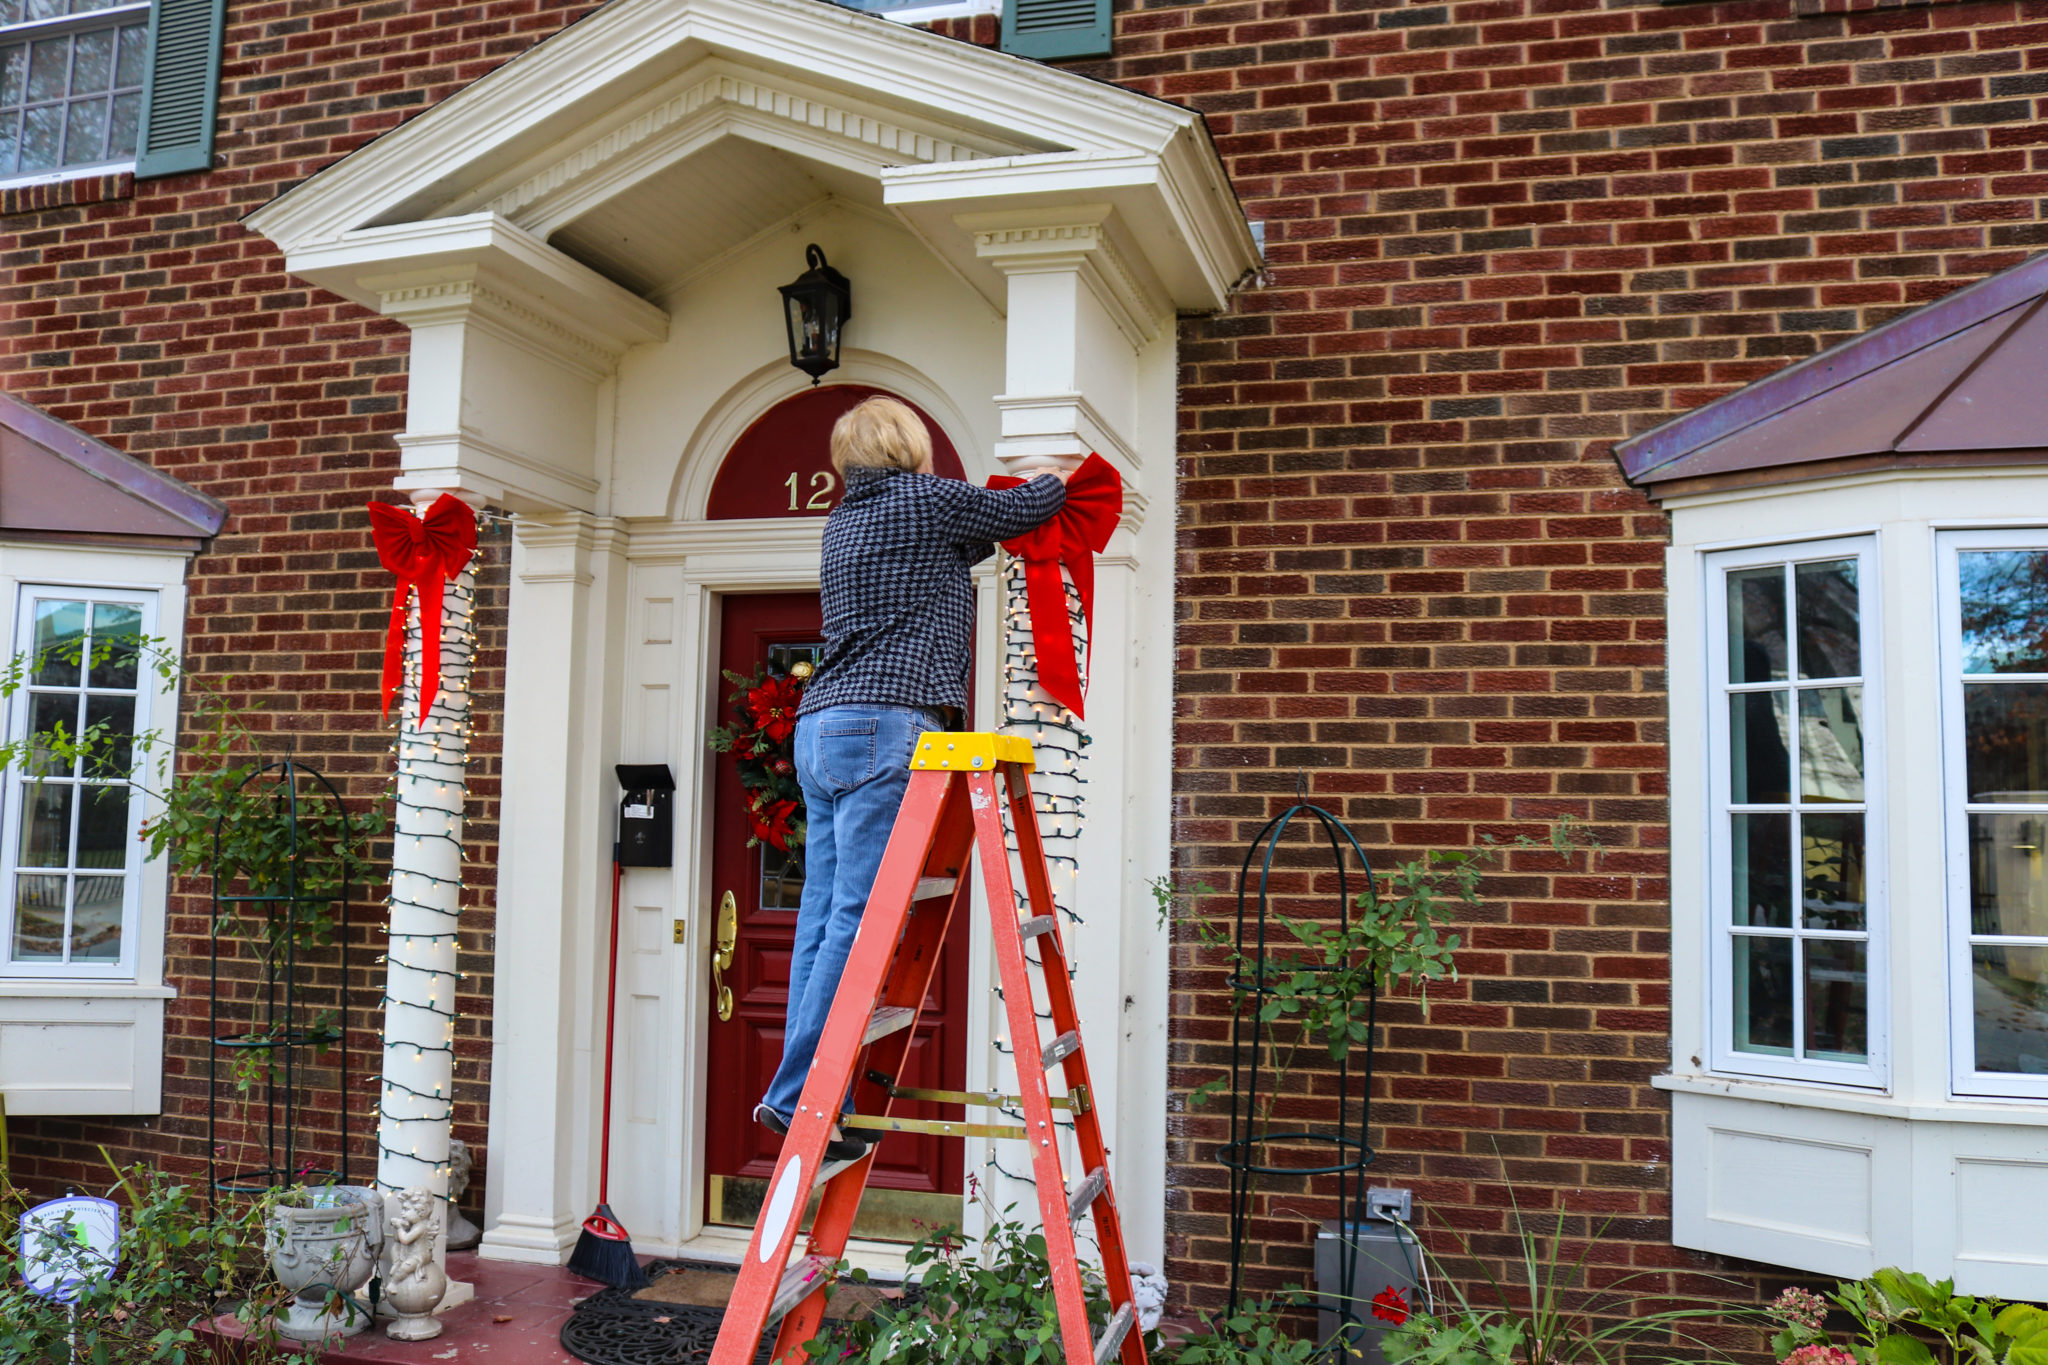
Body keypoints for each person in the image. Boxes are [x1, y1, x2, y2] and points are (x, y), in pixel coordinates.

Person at [755, 396, 1069, 1161]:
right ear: (909, 447)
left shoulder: (844, 523)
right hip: (884, 723)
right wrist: (1063, 472)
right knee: (860, 920)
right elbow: (1028, 505)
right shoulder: (924, 500)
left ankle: (796, 1095)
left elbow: (959, 553)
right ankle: (801, 1098)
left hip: (819, 728)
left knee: (823, 916)